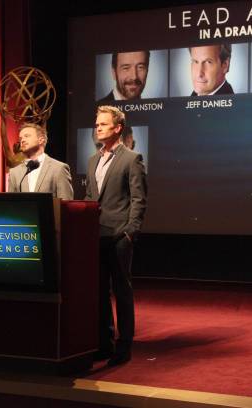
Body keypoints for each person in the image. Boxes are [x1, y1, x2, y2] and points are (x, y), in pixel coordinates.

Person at [85, 105, 147, 366]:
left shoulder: (132, 158)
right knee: (98, 292)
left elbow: (139, 199)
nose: (97, 127)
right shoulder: (92, 160)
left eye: (103, 124)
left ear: (118, 128)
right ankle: (104, 343)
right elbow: (89, 198)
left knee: (122, 291)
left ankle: (124, 347)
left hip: (120, 236)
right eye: (97, 124)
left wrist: (130, 233)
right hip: (95, 236)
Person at [7, 123, 74, 199]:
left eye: (27, 136)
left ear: (41, 140)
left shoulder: (59, 169)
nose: (22, 140)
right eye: (20, 138)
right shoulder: (14, 173)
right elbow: (11, 204)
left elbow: (65, 203)